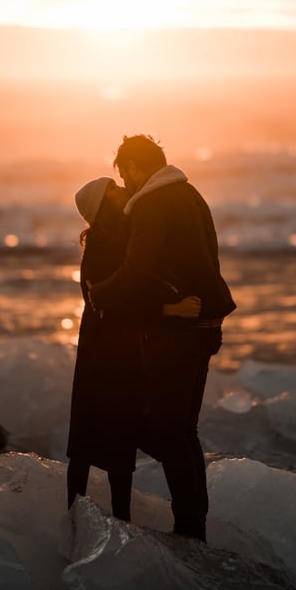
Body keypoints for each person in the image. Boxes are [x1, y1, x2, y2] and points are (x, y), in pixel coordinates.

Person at [88, 136, 236, 541]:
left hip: (181, 331)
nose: (127, 185)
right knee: (183, 429)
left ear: (136, 166)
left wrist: (99, 293)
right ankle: (194, 522)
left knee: (170, 429)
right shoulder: (189, 193)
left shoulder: (153, 204)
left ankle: (189, 525)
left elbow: (137, 270)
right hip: (206, 321)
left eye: (126, 174)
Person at [67, 175, 201, 522]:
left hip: (122, 349)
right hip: (104, 353)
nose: (121, 188)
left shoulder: (120, 236)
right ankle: (76, 519)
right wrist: (170, 310)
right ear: (101, 207)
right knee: (98, 438)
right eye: (112, 189)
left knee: (118, 438)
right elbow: (115, 302)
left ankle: (118, 521)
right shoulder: (100, 246)